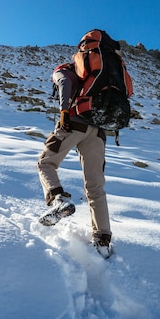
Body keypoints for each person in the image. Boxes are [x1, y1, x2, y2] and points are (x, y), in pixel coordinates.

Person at [36, 35, 113, 258]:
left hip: (75, 122)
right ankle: (102, 240)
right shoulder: (103, 74)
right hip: (98, 131)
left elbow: (64, 83)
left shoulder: (65, 69)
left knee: (45, 163)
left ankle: (59, 201)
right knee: (95, 187)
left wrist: (64, 112)